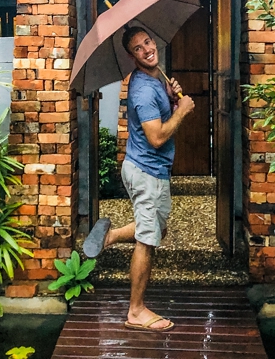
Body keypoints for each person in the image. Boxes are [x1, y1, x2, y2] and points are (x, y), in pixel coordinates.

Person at [82, 26, 195, 331]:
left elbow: (159, 119)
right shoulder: (144, 89)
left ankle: (110, 236)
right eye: (138, 48)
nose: (147, 49)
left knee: (159, 227)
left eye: (148, 41)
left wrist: (171, 100)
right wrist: (182, 111)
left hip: (150, 170)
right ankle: (136, 311)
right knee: (147, 240)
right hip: (146, 171)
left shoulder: (154, 80)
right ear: (131, 56)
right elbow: (157, 137)